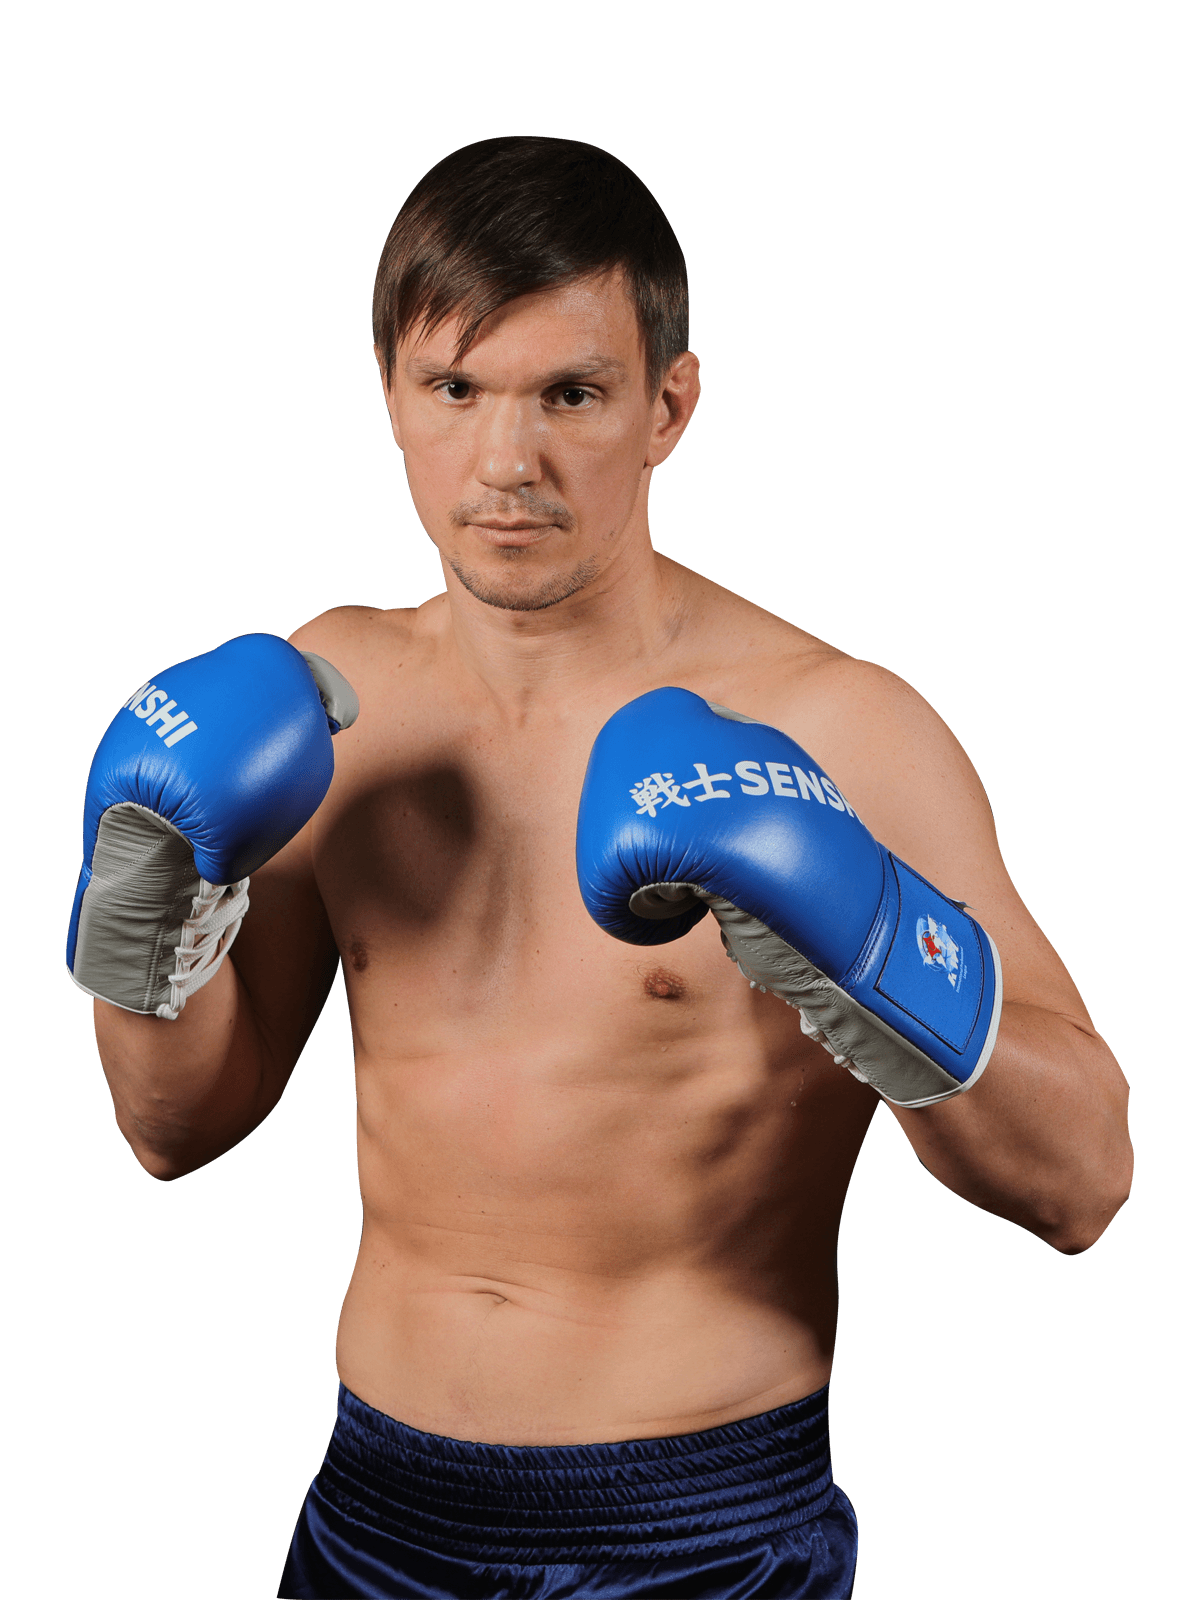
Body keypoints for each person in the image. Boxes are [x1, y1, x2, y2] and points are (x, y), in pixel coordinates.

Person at [71, 137, 1133, 1599]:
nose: (508, 463)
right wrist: (145, 902)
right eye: (457, 389)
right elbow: (174, 1128)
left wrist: (866, 935)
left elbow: (1085, 1182)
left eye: (571, 393)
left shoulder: (837, 731)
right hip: (374, 1518)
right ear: (391, 393)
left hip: (697, 1534)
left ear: (667, 407)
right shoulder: (332, 704)